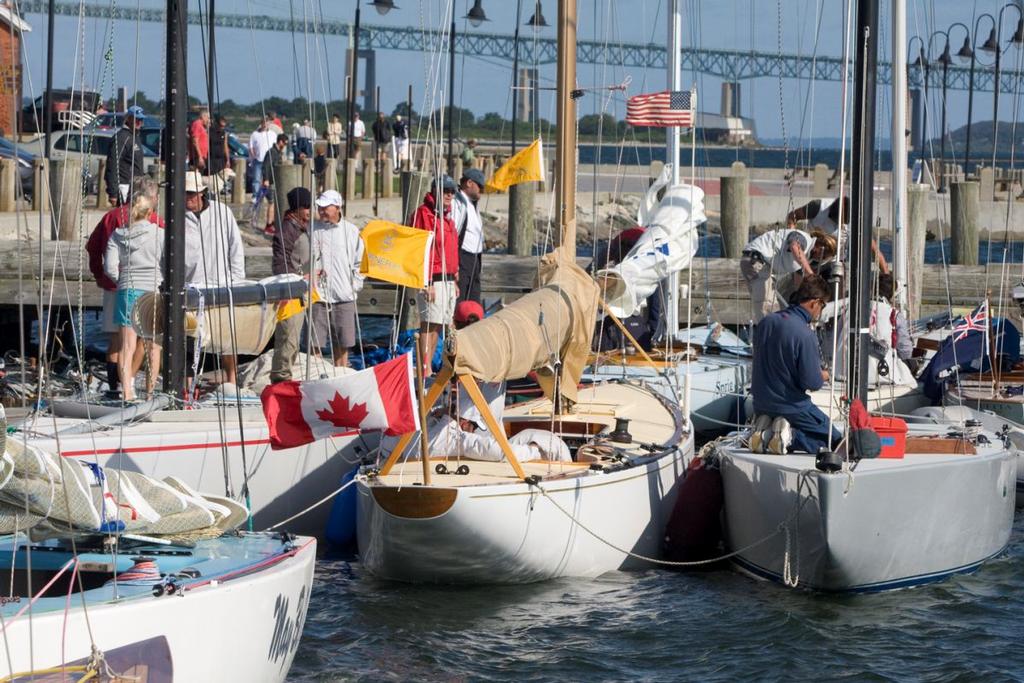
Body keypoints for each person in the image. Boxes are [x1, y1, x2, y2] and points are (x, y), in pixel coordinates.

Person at [85, 176, 163, 398]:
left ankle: (117, 389)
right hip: (146, 287)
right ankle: (138, 387)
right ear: (149, 198)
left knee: (118, 342)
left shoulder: (111, 218)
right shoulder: (156, 223)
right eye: (156, 195)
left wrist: (100, 275)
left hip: (118, 287)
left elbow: (92, 246)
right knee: (148, 342)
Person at [749, 275, 840, 455]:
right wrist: (824, 375)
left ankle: (767, 431)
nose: (820, 312)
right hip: (791, 405)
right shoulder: (805, 334)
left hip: (760, 403)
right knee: (835, 441)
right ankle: (788, 437)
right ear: (815, 303)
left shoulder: (766, 322)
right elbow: (812, 383)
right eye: (822, 306)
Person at [183, 171, 246, 385]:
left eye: (191, 193)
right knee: (190, 340)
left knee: (227, 338)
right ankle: (188, 384)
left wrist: (237, 282)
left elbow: (235, 247)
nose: (187, 198)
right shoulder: (177, 217)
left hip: (222, 284)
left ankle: (232, 380)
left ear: (201, 193)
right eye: (184, 194)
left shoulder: (222, 212)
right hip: (191, 288)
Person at [310, 190, 365, 368]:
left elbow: (361, 262)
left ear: (338, 207)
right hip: (318, 296)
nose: (322, 210)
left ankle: (340, 374)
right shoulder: (313, 229)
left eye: (326, 207)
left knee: (343, 343)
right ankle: (317, 376)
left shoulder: (351, 231)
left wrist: (354, 286)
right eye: (320, 207)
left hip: (344, 296)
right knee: (314, 342)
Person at [411, 175, 460, 377]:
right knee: (429, 323)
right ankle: (424, 368)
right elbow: (420, 248)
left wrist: (454, 278)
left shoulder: (446, 216)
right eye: (445, 190)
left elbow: (450, 249)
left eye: (452, 191)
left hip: (447, 278)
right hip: (433, 278)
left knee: (439, 324)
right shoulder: (424, 214)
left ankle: (428, 365)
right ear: (434, 191)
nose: (449, 194)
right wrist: (427, 281)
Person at [741, 227, 836, 324]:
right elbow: (794, 246)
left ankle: (772, 330)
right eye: (823, 256)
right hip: (757, 261)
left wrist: (801, 302)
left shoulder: (804, 258)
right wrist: (810, 273)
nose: (819, 259)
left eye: (823, 259)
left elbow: (798, 281)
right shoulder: (804, 238)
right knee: (769, 306)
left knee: (766, 305)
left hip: (754, 263)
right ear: (821, 246)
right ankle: (773, 333)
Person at [270, 187, 314, 384]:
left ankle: (286, 376)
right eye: (305, 207)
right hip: (290, 291)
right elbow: (280, 261)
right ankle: (280, 379)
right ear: (296, 209)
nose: (309, 211)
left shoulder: (300, 227)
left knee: (294, 339)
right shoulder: (288, 229)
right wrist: (287, 287)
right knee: (287, 337)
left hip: (301, 291)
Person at [450, 167, 485, 305]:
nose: (481, 191)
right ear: (469, 183)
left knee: (473, 299)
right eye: (480, 187)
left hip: (475, 258)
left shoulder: (471, 203)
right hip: (463, 257)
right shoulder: (457, 202)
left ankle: (471, 324)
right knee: (461, 298)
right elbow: (454, 231)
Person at [104, 105, 146, 206]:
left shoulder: (135, 137)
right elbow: (113, 164)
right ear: (128, 119)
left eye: (141, 119)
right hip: (124, 186)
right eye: (136, 119)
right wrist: (113, 192)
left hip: (136, 186)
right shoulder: (121, 138)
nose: (139, 122)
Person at [261, 134, 290, 235]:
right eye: (284, 144)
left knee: (274, 203)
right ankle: (268, 225)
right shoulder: (272, 152)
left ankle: (272, 223)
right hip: (270, 181)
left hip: (275, 181)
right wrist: (265, 179)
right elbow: (266, 166)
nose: (285, 146)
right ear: (280, 142)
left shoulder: (278, 153)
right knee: (271, 203)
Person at [248, 119, 276, 194]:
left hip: (269, 161)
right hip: (258, 160)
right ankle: (255, 196)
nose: (265, 125)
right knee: (256, 179)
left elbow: (275, 147)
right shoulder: (254, 134)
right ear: (261, 123)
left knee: (268, 180)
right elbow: (251, 147)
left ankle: (268, 196)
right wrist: (253, 156)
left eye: (267, 123)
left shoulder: (273, 134)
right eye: (264, 123)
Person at [208, 114, 231, 179]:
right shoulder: (210, 131)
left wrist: (228, 160)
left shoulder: (224, 133)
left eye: (224, 126)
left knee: (221, 177)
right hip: (212, 159)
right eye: (221, 126)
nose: (222, 128)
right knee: (212, 177)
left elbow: (225, 146)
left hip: (221, 159)